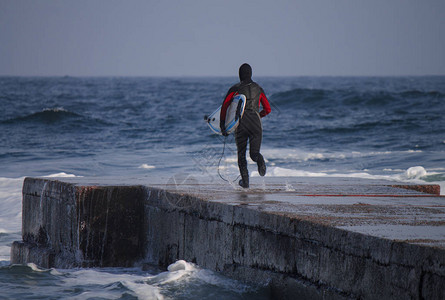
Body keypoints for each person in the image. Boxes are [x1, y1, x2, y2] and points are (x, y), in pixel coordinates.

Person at [220, 63, 271, 188]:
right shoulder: (259, 88)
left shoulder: (235, 88)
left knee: (241, 154)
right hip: (256, 124)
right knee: (254, 154)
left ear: (239, 75)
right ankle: (260, 160)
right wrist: (259, 116)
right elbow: (268, 109)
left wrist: (223, 125)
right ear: (251, 74)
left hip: (241, 124)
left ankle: (246, 182)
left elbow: (225, 107)